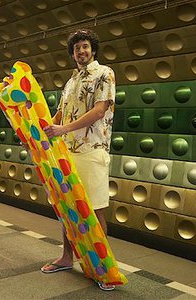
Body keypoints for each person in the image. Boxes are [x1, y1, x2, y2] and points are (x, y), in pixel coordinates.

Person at [42, 29, 116, 291]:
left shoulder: (104, 73)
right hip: (68, 151)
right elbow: (60, 113)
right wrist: (38, 135)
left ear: (92, 50)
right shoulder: (71, 81)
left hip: (92, 149)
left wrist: (62, 129)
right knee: (67, 207)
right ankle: (66, 257)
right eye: (77, 49)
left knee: (94, 209)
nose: (81, 52)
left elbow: (99, 110)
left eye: (85, 47)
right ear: (72, 54)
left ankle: (102, 268)